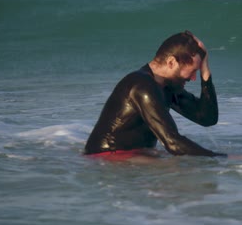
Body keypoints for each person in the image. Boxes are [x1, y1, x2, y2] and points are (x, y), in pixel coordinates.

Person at [84, 30, 226, 158]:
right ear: (171, 62)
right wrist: (221, 158)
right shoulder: (142, 85)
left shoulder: (167, 87)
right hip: (106, 159)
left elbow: (207, 118)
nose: (193, 78)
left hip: (133, 156)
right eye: (193, 71)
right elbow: (173, 143)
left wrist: (205, 72)